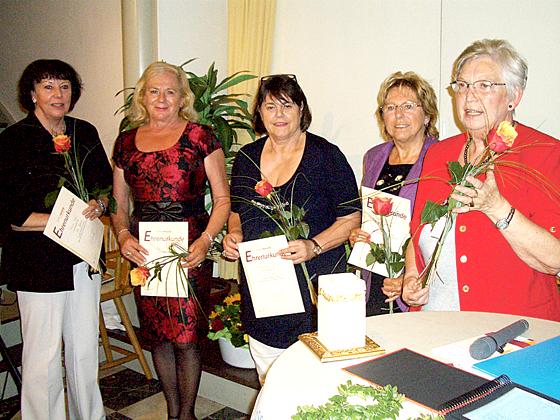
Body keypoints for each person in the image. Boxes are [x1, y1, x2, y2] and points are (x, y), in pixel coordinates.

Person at [402, 39, 560, 321]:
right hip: (433, 321)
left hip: (511, 329)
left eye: (484, 86)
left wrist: (498, 208)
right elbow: (418, 230)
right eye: (462, 86)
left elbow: (555, 259)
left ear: (514, 96)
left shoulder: (545, 154)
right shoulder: (439, 153)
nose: (469, 96)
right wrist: (412, 274)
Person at [222, 74, 360, 384]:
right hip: (263, 295)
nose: (279, 115)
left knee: (317, 388)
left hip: (314, 296)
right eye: (270, 106)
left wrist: (314, 246)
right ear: (260, 113)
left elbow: (352, 217)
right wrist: (235, 235)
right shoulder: (246, 158)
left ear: (301, 109)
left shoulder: (326, 156)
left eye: (287, 105)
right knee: (271, 386)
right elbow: (236, 212)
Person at [111, 61, 230, 420]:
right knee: (159, 335)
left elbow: (223, 200)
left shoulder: (201, 136)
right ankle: (172, 412)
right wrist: (122, 234)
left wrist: (207, 239)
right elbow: (119, 204)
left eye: (170, 91)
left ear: (182, 98)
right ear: (142, 97)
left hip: (190, 247)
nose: (161, 98)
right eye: (154, 90)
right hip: (146, 251)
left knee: (187, 335)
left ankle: (187, 415)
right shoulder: (125, 142)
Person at [0, 59, 111, 419]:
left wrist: (99, 203)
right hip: (37, 264)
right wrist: (62, 221)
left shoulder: (84, 132)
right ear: (31, 94)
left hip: (83, 256)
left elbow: (105, 187)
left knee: (83, 350)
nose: (57, 94)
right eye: (47, 86)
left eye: (64, 86)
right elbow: (12, 215)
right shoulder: (12, 140)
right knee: (43, 355)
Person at [348, 71, 439, 316]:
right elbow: (368, 215)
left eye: (408, 106)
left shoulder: (441, 158)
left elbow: (446, 236)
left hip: (418, 284)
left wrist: (410, 277)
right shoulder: (374, 156)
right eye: (390, 107)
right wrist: (358, 234)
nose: (399, 115)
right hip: (375, 278)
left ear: (428, 114)